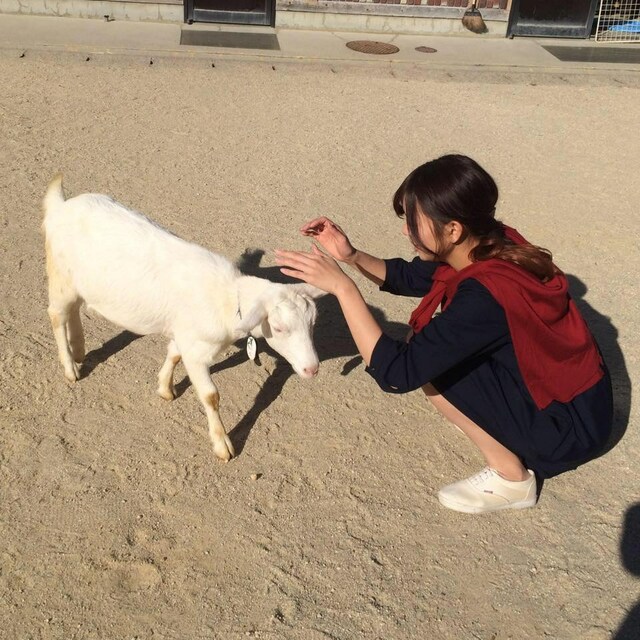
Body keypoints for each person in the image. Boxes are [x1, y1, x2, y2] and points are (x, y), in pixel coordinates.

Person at [275, 154, 613, 514]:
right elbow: (410, 277)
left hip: (567, 431)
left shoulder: (486, 296)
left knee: (426, 362)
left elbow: (396, 373)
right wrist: (352, 255)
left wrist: (343, 289)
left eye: (413, 222)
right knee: (432, 349)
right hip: (584, 404)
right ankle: (497, 426)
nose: (406, 232)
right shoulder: (491, 243)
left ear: (453, 230)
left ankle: (512, 478)